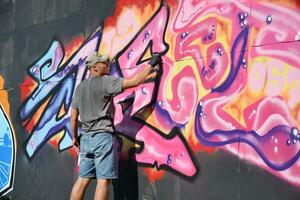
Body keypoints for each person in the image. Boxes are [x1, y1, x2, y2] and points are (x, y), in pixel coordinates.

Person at [70, 52, 162, 200]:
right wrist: (151, 64)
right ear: (94, 68)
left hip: (86, 139)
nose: (107, 64)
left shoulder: (80, 88)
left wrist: (74, 138)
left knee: (82, 180)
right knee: (103, 180)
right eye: (103, 63)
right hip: (102, 138)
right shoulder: (105, 81)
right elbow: (135, 81)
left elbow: (73, 117)